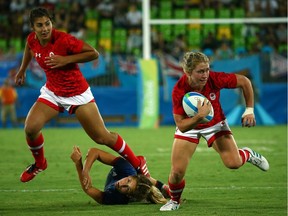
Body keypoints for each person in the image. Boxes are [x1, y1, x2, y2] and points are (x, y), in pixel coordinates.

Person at [15, 7, 149, 183]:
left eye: (47, 23)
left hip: (77, 93)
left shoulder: (64, 40)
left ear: (52, 23)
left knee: (102, 137)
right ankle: (40, 163)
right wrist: (22, 69)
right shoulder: (32, 39)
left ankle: (138, 163)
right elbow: (29, 48)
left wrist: (65, 60)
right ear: (33, 28)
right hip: (53, 92)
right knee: (30, 128)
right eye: (39, 25)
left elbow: (93, 53)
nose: (45, 28)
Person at [160, 51, 270, 211]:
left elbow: (244, 82)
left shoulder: (215, 78)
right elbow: (181, 125)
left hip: (215, 123)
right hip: (190, 126)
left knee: (234, 163)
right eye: (200, 71)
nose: (205, 75)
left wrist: (249, 110)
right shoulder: (179, 89)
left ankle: (247, 154)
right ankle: (174, 201)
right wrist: (199, 117)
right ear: (188, 72)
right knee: (177, 172)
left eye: (207, 69)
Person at [70, 146, 169, 205]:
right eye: (128, 180)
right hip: (134, 170)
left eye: (127, 188)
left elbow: (89, 189)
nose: (121, 184)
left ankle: (159, 191)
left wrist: (78, 163)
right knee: (142, 176)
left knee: (146, 190)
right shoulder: (126, 169)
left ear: (128, 195)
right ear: (130, 177)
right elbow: (95, 152)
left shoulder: (117, 198)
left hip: (137, 185)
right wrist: (85, 171)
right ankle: (166, 188)